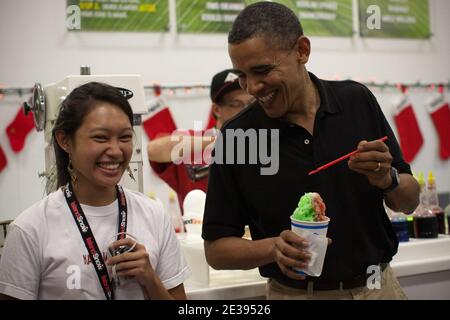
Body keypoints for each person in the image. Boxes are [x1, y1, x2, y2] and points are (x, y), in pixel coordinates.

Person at [202, 2, 420, 300]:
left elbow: (408, 201)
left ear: (302, 50)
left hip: (377, 289)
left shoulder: (357, 101)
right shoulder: (237, 137)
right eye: (242, 75)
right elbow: (216, 250)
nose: (251, 87)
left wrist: (388, 179)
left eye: (262, 70)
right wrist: (271, 247)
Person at [0, 82, 190, 300]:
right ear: (64, 140)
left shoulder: (154, 215)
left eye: (125, 137)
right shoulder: (30, 229)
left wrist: (150, 279)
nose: (116, 150)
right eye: (100, 137)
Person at [147, 69, 253, 209]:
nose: (246, 110)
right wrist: (223, 141)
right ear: (216, 110)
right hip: (200, 229)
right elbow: (155, 149)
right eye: (236, 104)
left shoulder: (264, 141)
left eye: (252, 104)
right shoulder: (195, 144)